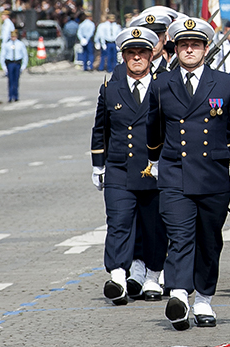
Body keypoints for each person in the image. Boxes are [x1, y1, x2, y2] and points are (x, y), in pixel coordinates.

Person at [147, 16, 230, 331]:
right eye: (183, 45)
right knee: (180, 236)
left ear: (206, 48)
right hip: (175, 173)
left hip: (213, 176)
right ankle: (179, 294)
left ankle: (204, 298)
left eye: (195, 44)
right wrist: (154, 160)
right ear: (175, 48)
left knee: (209, 241)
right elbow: (153, 128)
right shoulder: (162, 84)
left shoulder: (225, 83)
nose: (189, 49)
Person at [91, 26, 166, 305]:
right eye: (130, 54)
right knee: (119, 222)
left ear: (150, 56)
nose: (136, 58)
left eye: (141, 53)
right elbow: (101, 129)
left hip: (153, 169)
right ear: (123, 57)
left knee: (154, 226)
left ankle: (151, 276)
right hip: (119, 169)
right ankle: (119, 277)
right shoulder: (111, 89)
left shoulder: (164, 87)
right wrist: (98, 165)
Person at [0, 30, 28, 103]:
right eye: (12, 36)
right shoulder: (7, 45)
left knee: (16, 81)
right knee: (10, 81)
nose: (13, 38)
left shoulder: (20, 44)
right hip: (10, 63)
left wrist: (23, 66)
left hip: (17, 63)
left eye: (14, 36)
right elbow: (2, 55)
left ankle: (16, 96)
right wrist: (4, 67)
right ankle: (10, 96)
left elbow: (24, 55)